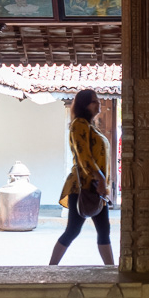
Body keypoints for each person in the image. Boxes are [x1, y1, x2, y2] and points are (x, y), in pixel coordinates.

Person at [49, 88, 114, 266]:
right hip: (82, 186)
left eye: (98, 101)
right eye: (94, 101)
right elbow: (83, 156)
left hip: (96, 186)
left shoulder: (91, 126)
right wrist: (100, 178)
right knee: (73, 230)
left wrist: (102, 182)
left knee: (104, 230)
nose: (98, 104)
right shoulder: (79, 124)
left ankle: (110, 269)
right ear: (84, 105)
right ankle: (51, 267)